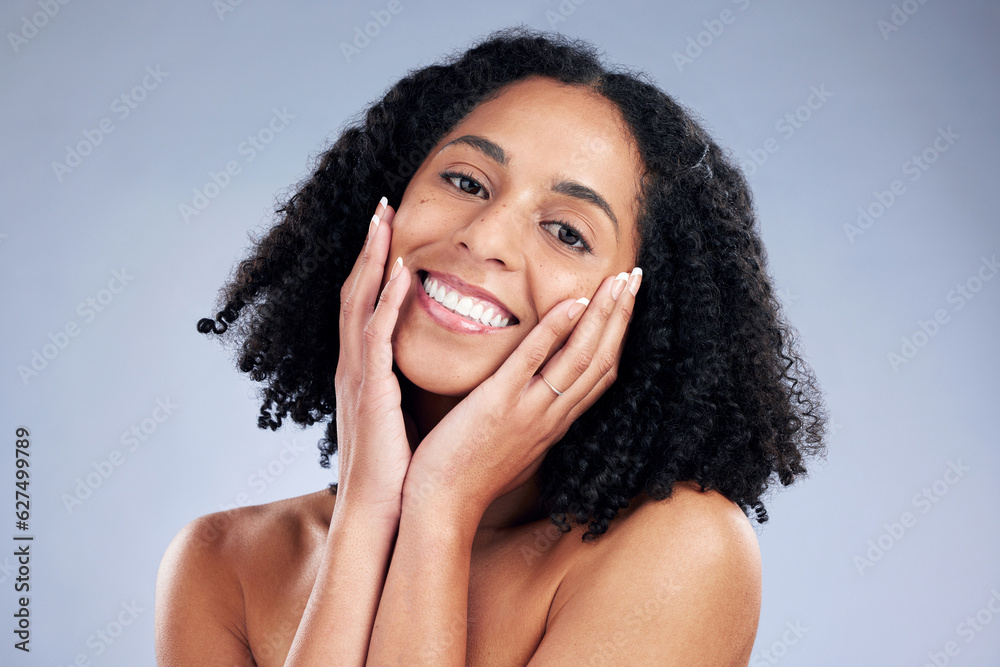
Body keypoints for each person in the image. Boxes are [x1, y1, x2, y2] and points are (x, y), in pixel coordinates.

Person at [155, 26, 827, 666]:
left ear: (638, 316)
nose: (487, 236)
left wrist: (440, 505)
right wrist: (367, 513)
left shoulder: (683, 551)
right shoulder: (221, 565)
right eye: (467, 182)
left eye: (567, 232)